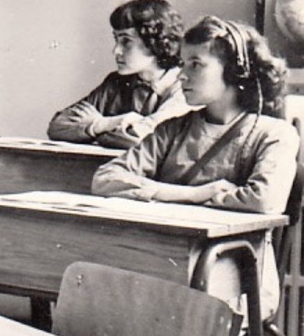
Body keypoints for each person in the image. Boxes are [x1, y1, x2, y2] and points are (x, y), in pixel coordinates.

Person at [93, 16, 298, 317]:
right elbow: (106, 179)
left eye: (196, 65)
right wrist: (196, 194)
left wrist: (155, 192)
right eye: (182, 64)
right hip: (167, 266)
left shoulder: (274, 134)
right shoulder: (172, 130)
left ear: (234, 71)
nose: (181, 77)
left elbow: (263, 201)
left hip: (234, 279)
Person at [49, 0, 188, 147]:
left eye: (126, 41)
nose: (116, 51)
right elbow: (57, 126)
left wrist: (91, 129)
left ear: (156, 42)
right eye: (116, 40)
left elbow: (143, 140)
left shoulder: (184, 85)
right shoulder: (116, 82)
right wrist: (106, 124)